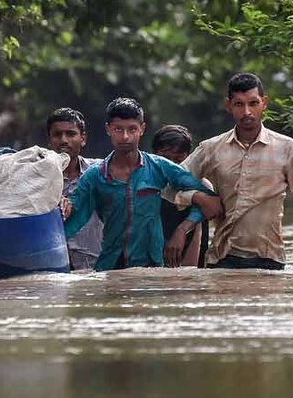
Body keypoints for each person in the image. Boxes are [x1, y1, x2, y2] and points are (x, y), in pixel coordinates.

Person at [173, 73, 293, 270]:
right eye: (239, 104)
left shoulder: (286, 149)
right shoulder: (211, 149)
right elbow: (170, 183)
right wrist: (198, 197)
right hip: (223, 259)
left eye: (253, 103)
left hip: (270, 260)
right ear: (228, 106)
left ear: (264, 103)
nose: (247, 112)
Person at [62, 98, 222, 271]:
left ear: (142, 129)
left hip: (152, 268)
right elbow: (74, 212)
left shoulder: (159, 167)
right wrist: (64, 205)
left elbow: (211, 201)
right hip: (110, 267)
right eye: (118, 129)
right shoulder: (95, 176)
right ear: (108, 129)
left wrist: (182, 230)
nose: (125, 137)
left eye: (132, 129)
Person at [46, 107, 104, 271]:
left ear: (83, 139)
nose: (64, 140)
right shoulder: (37, 179)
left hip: (96, 268)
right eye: (57, 135)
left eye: (71, 134)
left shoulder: (101, 172)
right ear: (49, 140)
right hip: (52, 269)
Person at [152, 125, 209, 267]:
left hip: (187, 261)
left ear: (188, 158)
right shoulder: (146, 184)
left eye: (177, 160)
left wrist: (188, 273)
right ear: (154, 156)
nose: (170, 165)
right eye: (165, 159)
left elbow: (198, 236)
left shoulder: (200, 185)